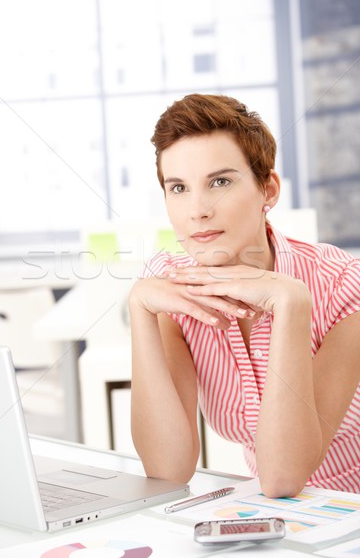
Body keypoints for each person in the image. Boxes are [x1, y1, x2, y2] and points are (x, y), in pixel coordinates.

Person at [128, 93, 360, 497]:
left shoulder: (342, 284)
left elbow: (284, 478)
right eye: (178, 187)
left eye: (220, 182)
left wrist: (291, 305)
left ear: (267, 190)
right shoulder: (172, 288)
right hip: (285, 518)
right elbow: (168, 470)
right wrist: (139, 310)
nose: (197, 210)